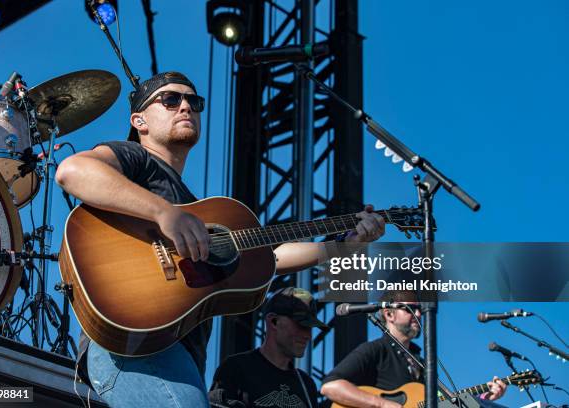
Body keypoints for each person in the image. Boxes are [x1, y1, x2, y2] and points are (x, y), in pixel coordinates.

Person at [55, 71, 386, 408]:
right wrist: (163, 213)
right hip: (132, 344)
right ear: (140, 121)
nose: (185, 107)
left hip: (177, 352)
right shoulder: (136, 158)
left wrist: (340, 248)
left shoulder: (200, 210)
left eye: (193, 102)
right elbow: (73, 171)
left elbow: (267, 258)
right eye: (171, 100)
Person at [320, 290, 507, 408]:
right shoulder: (375, 350)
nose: (419, 314)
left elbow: (444, 402)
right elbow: (330, 387)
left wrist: (484, 398)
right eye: (410, 309)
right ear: (389, 314)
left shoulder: (421, 362)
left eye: (419, 310)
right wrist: (382, 404)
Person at [209, 287, 326, 408]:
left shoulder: (306, 384)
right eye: (301, 325)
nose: (308, 335)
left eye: (310, 327)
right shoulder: (235, 368)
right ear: (273, 321)